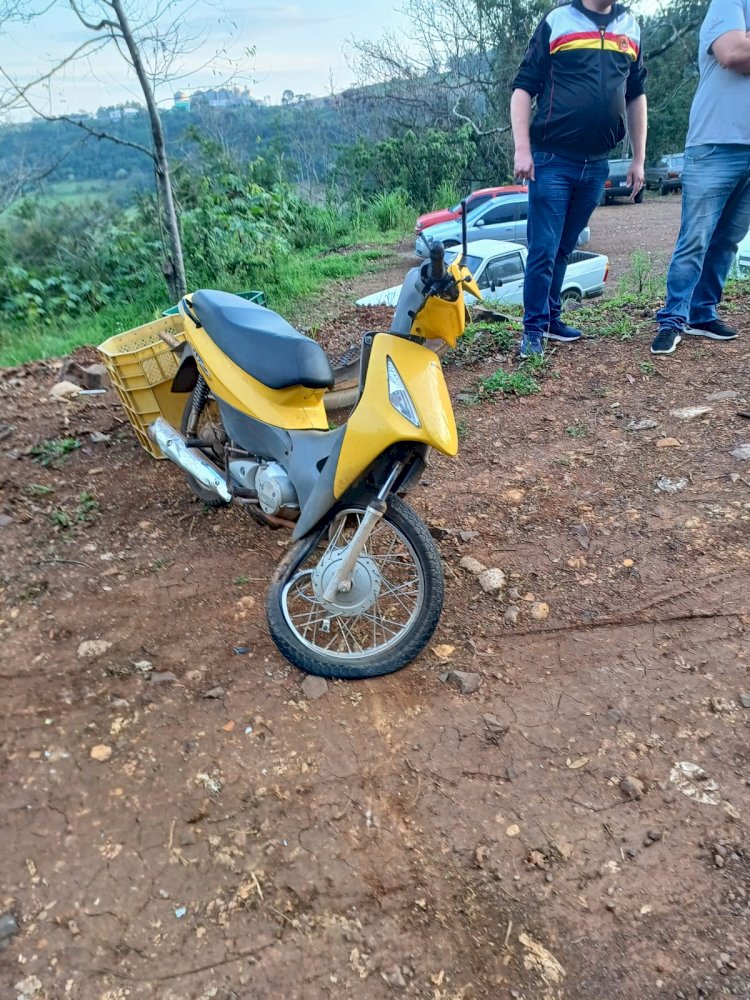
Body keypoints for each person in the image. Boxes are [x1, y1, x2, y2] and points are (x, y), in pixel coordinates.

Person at [511, 0, 647, 358]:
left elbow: (636, 95)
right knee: (543, 248)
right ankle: (533, 330)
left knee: (563, 247)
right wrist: (522, 148)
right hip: (552, 159)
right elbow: (523, 87)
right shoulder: (557, 21)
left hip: (597, 163)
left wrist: (638, 158)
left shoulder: (630, 27)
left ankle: (552, 318)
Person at [651, 0, 750, 355]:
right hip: (714, 144)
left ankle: (703, 312)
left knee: (728, 240)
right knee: (695, 238)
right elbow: (733, 52)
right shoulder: (730, 2)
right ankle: (672, 318)